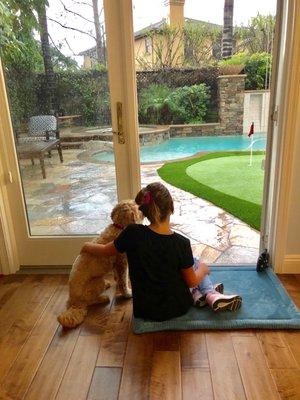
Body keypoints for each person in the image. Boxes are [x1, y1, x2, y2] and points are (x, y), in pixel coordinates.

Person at [81, 182, 242, 321]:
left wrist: (86, 246)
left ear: (144, 210)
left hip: (144, 309)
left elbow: (104, 250)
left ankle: (200, 295)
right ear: (171, 208)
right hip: (177, 307)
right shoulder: (181, 243)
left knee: (187, 264)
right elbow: (192, 280)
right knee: (195, 263)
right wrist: (203, 270)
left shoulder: (132, 233)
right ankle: (209, 294)